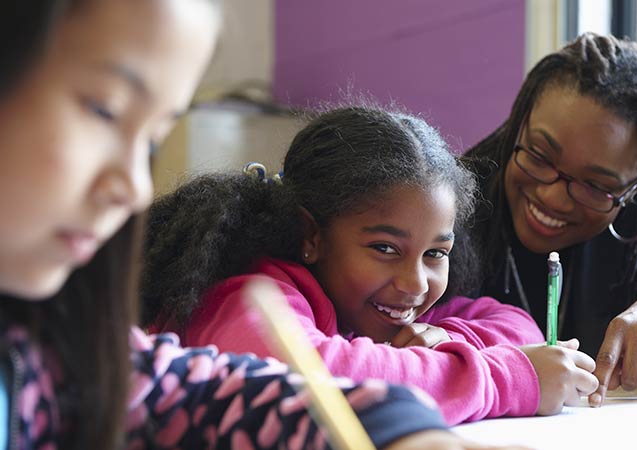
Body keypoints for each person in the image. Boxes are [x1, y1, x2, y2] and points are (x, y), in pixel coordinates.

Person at [0, 1, 524, 449]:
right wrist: (500, 375)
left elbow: (185, 389)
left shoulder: (45, 352)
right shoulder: (252, 292)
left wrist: (397, 424)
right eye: (104, 111)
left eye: (154, 140)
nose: (135, 187)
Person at [141, 105, 599, 425]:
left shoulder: (380, 303)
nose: (415, 282)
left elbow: (517, 326)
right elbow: (312, 380)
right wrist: (508, 379)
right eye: (384, 248)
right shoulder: (247, 292)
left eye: (436, 253)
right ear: (311, 236)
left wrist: (445, 340)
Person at [461, 32, 637, 408]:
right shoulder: (451, 211)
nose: (552, 196)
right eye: (541, 156)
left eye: (596, 186)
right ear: (519, 125)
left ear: (636, 187)